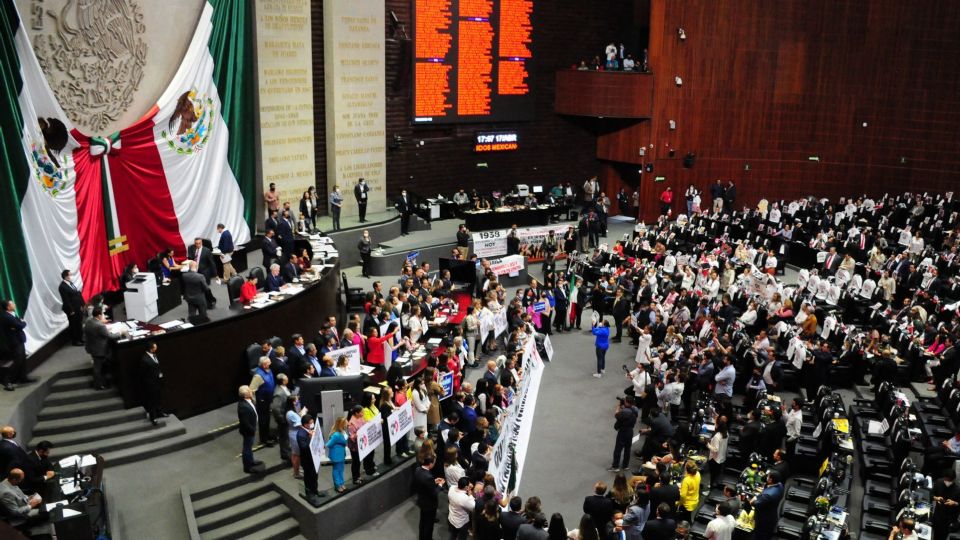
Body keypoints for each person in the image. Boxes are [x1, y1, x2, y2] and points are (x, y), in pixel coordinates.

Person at [83, 306, 118, 390]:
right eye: (102, 314)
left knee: (98, 367)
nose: (103, 316)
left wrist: (102, 322)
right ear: (99, 315)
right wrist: (120, 333)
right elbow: (110, 336)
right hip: (99, 350)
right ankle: (98, 385)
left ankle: (100, 383)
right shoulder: (100, 326)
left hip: (91, 347)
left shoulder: (89, 321)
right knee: (98, 368)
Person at [414, 453, 444, 540]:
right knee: (429, 525)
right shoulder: (428, 476)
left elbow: (423, 484)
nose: (434, 464)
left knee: (422, 522)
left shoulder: (418, 469)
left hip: (421, 501)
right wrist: (440, 485)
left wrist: (434, 481)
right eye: (434, 462)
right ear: (430, 464)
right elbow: (434, 492)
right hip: (429, 505)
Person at [0, 300, 28, 390]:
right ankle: (7, 381)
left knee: (23, 359)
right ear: (8, 307)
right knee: (17, 361)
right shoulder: (6, 317)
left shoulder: (12, 314)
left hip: (19, 339)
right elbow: (20, 325)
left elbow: (18, 324)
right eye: (12, 304)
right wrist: (21, 323)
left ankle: (23, 378)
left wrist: (19, 324)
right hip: (14, 342)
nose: (15, 305)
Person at [297, 414, 323, 505]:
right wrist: (311, 438)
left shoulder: (310, 430)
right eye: (311, 423)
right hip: (307, 460)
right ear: (305, 424)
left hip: (314, 458)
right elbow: (304, 447)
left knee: (315, 475)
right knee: (308, 477)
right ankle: (309, 493)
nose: (312, 424)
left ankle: (315, 490)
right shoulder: (300, 434)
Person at [750, 472, 784, 540]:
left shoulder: (768, 495)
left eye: (768, 477)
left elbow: (754, 503)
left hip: (764, 520)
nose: (766, 477)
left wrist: (754, 498)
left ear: (771, 480)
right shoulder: (780, 485)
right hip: (772, 513)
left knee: (760, 536)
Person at [237, 385, 263, 473]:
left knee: (249, 447)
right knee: (247, 449)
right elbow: (245, 422)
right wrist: (252, 430)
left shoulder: (248, 400)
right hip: (248, 431)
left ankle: (251, 461)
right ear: (245, 395)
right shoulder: (243, 407)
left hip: (251, 428)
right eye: (249, 391)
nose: (251, 391)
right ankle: (247, 467)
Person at [611, 395, 638, 472]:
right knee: (627, 449)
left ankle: (615, 466)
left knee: (618, 449)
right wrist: (624, 407)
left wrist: (618, 406)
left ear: (626, 402)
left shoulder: (625, 411)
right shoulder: (635, 409)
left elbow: (616, 414)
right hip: (630, 431)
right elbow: (629, 412)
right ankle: (625, 465)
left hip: (623, 431)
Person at [140, 341, 165, 425]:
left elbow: (157, 367)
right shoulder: (144, 359)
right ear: (151, 349)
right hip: (150, 384)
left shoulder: (155, 355)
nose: (156, 348)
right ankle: (153, 418)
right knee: (152, 401)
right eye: (155, 347)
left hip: (158, 382)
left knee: (158, 398)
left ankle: (160, 413)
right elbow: (144, 374)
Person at [932, 468, 960, 540]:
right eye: (945, 479)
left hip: (948, 520)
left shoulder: (958, 490)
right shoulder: (939, 482)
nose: (946, 482)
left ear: (953, 480)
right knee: (934, 534)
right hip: (938, 515)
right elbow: (931, 494)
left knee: (942, 537)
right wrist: (936, 498)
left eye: (949, 480)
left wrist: (954, 503)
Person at [59, 269, 85, 346]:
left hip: (78, 307)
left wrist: (82, 304)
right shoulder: (62, 287)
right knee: (74, 325)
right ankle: (75, 340)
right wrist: (71, 310)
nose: (71, 276)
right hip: (72, 309)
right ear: (66, 276)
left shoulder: (71, 283)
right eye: (70, 275)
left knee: (79, 324)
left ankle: (80, 338)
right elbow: (66, 300)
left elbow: (77, 294)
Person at [325, 416, 349, 494]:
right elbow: (328, 444)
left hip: (341, 454)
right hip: (336, 455)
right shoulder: (336, 435)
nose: (347, 423)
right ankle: (337, 485)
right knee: (336, 470)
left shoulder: (343, 431)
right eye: (346, 422)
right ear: (341, 424)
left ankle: (341, 483)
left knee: (341, 469)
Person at [706, 417, 728, 490]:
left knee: (713, 475)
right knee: (716, 475)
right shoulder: (726, 433)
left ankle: (710, 490)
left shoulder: (717, 436)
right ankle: (712, 487)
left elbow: (715, 450)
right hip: (722, 458)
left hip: (714, 459)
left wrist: (708, 445)